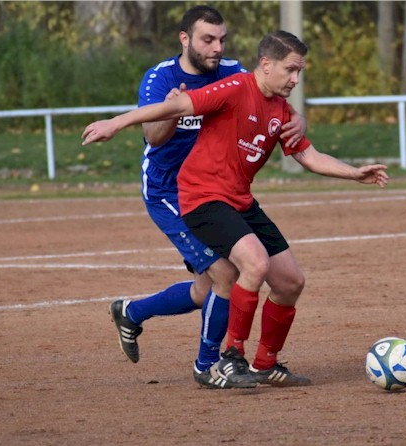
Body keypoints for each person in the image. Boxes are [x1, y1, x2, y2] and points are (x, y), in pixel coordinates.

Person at [83, 30, 388, 387]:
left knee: (290, 282)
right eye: (290, 70)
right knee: (252, 264)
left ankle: (265, 364)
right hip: (203, 198)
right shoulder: (234, 88)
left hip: (240, 200)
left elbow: (308, 155)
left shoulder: (280, 109)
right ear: (266, 64)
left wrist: (355, 173)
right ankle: (231, 358)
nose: (295, 79)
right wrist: (116, 123)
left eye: (299, 72)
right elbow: (176, 107)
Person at [107, 6, 306, 389]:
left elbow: (272, 100)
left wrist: (300, 119)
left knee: (205, 289)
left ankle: (131, 312)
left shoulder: (231, 71)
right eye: (208, 39)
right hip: (169, 190)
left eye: (222, 39)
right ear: (185, 39)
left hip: (215, 189)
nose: (217, 48)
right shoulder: (160, 78)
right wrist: (171, 110)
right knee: (225, 274)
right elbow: (153, 138)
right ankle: (209, 366)